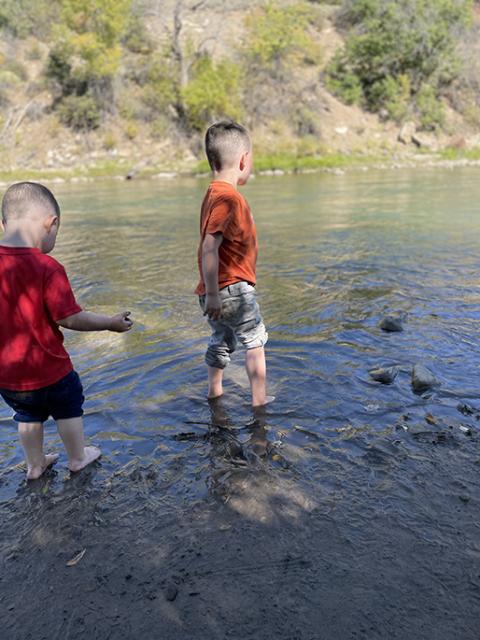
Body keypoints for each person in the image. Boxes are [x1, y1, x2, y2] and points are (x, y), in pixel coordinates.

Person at [0, 182, 133, 480]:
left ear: (3, 223)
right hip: (51, 371)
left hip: (8, 377)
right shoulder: (48, 267)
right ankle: (77, 456)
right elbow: (70, 318)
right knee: (68, 407)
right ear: (51, 223)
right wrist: (110, 323)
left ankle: (35, 464)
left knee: (27, 415)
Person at [195, 121, 272, 407]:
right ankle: (259, 401)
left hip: (213, 289)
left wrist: (210, 293)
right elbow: (209, 247)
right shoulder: (228, 199)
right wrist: (215, 293)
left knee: (222, 339)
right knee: (255, 341)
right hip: (232, 289)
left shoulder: (213, 193)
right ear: (243, 161)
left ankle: (215, 392)